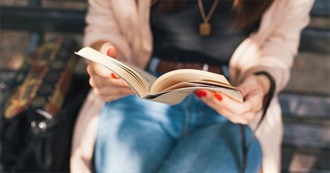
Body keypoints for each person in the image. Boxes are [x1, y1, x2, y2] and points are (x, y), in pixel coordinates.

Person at [70, 0, 314, 172]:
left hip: (230, 106)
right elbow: (105, 24)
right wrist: (106, 56)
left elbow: (279, 45)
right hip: (142, 94)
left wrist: (261, 83)